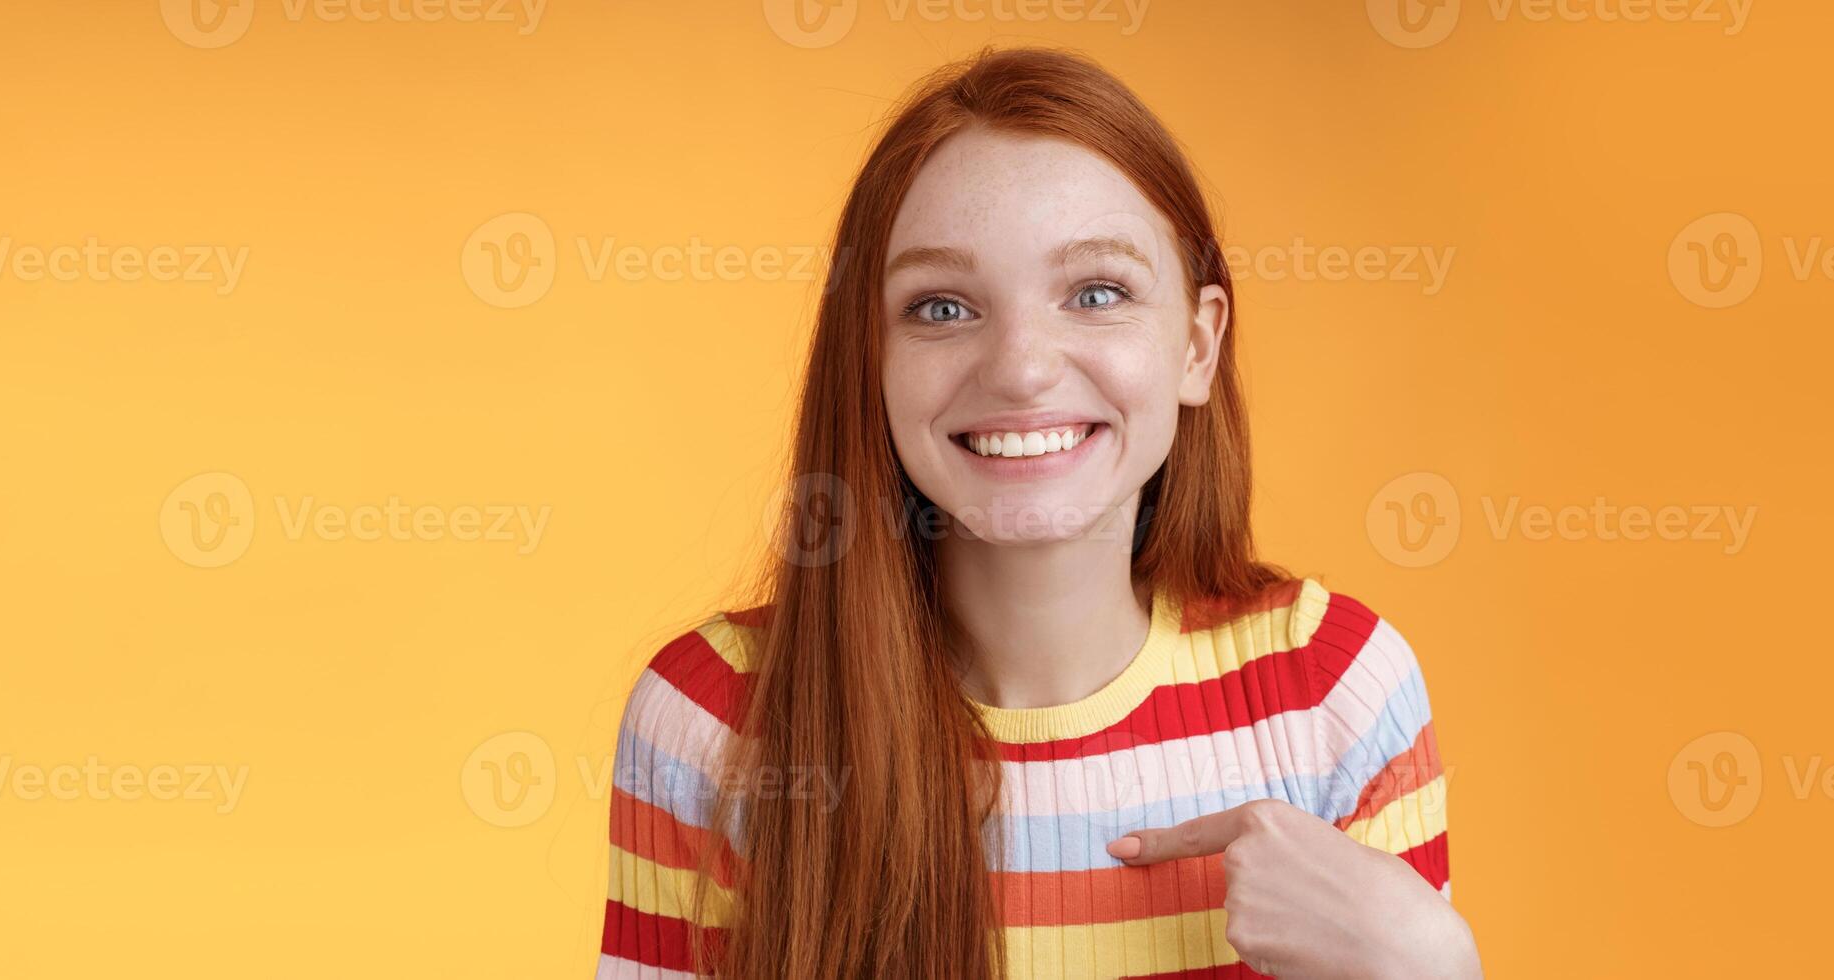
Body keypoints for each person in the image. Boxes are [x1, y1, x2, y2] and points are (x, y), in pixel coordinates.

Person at [596, 47, 1476, 980]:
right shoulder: (711, 722)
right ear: (871, 359)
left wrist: (1427, 966)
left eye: (1097, 293)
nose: (1020, 367)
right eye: (940, 307)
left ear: (1196, 343)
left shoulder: (1335, 691)